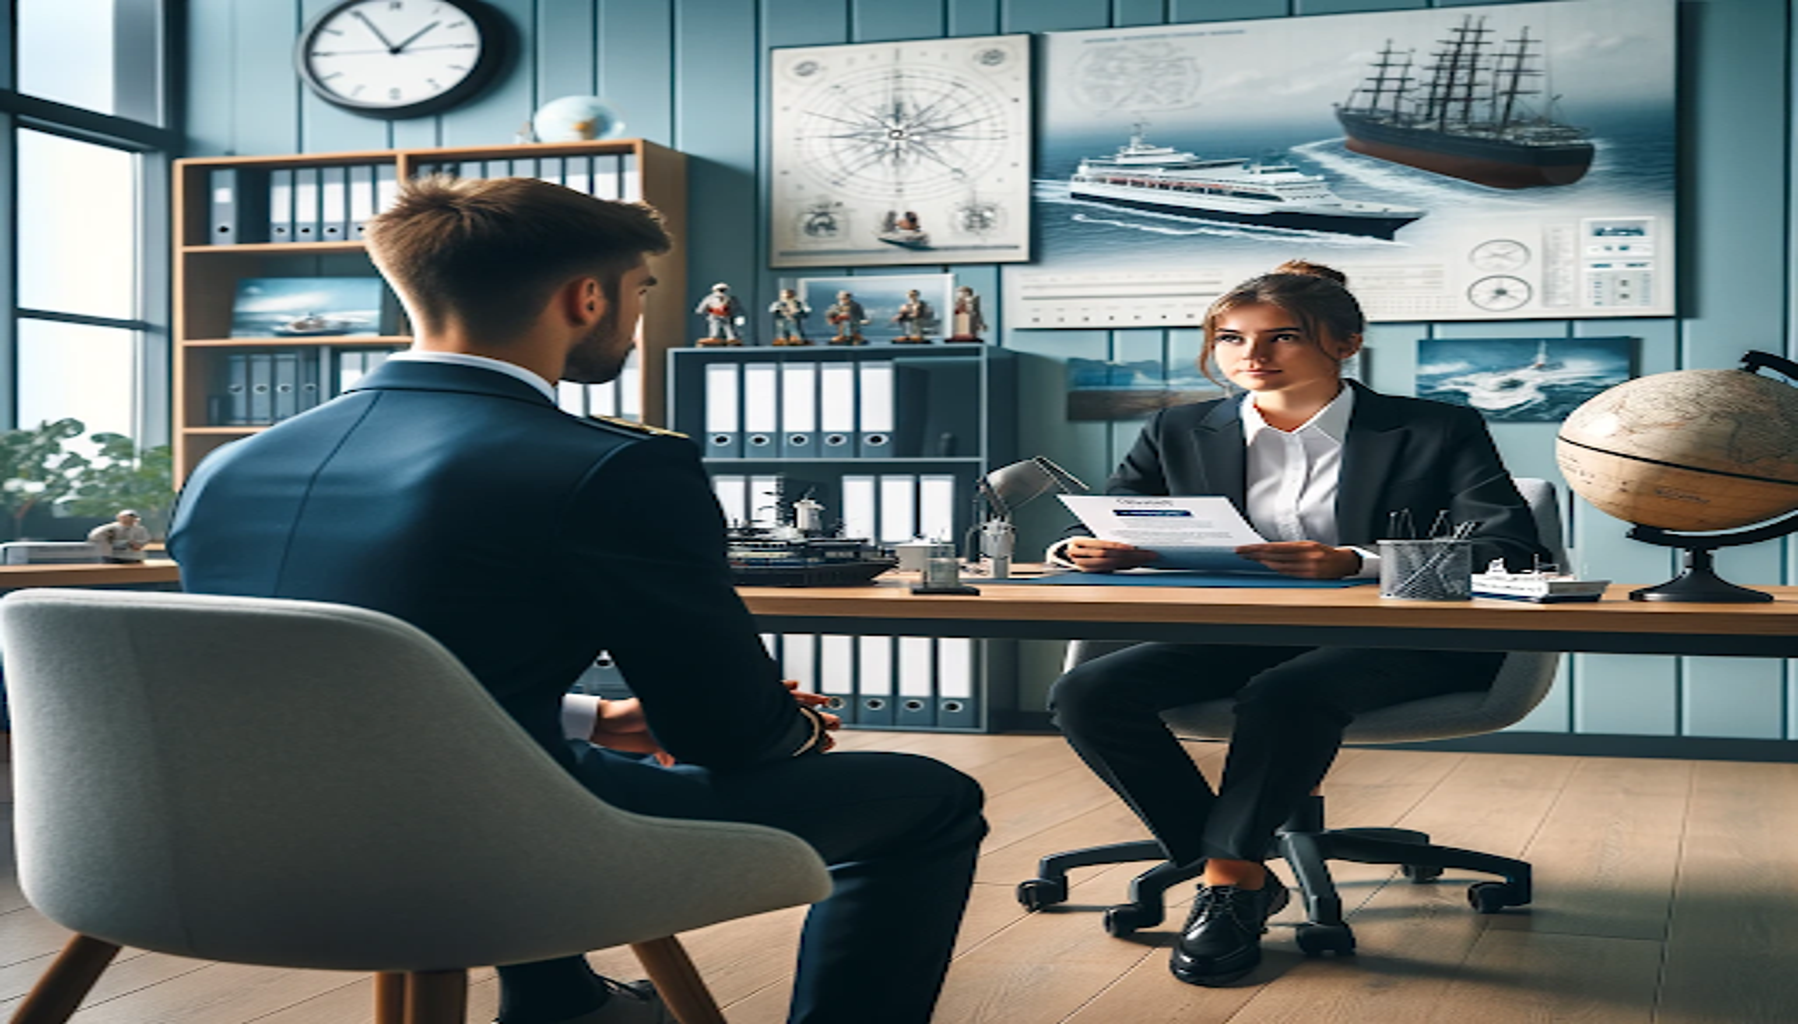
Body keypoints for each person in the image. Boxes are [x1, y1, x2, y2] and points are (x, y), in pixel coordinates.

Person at [169, 177, 985, 1024]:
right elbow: (726, 737)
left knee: (561, 756)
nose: (633, 323)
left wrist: (589, 718)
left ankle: (561, 1000)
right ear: (586, 297)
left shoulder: (230, 466)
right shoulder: (609, 465)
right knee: (929, 800)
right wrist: (798, 726)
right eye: (639, 294)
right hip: (474, 849)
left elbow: (342, 684)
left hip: (220, 845)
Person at [1044, 260, 1545, 988]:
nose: (1252, 355)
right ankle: (1235, 868)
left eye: (1281, 337)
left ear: (1346, 342)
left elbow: (1508, 548)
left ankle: (1228, 885)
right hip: (1239, 634)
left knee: (1286, 693)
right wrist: (1080, 549)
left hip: (1404, 638)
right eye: (1231, 338)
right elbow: (1111, 518)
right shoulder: (1179, 428)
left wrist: (1356, 561)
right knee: (1086, 695)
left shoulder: (1436, 428)